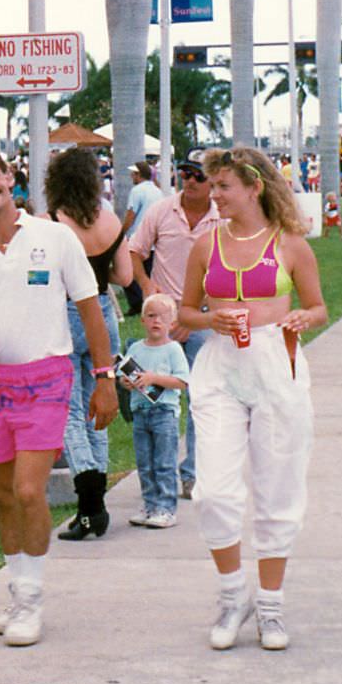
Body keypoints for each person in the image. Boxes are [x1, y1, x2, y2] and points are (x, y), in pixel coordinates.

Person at [0, 140, 118, 646]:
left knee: (32, 490)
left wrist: (104, 378)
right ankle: (18, 592)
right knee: (7, 497)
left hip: (48, 379)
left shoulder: (54, 238)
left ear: (8, 176)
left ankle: (31, 603)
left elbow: (90, 309)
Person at [178, 146, 327, 651]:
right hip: (220, 364)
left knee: (278, 487)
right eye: (211, 185)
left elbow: (318, 306)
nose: (212, 195)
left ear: (254, 187)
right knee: (215, 490)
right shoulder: (206, 246)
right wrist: (208, 319)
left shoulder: (290, 245)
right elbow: (185, 312)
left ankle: (270, 607)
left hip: (274, 363)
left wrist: (304, 319)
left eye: (223, 186)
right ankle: (231, 595)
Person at [42, 147, 132, 542]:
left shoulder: (52, 223)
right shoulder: (110, 220)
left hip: (63, 315)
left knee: (69, 411)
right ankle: (96, 502)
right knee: (101, 406)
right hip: (103, 315)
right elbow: (125, 276)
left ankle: (90, 504)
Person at [130, 148, 221, 500]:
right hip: (162, 323)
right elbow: (135, 250)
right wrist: (146, 286)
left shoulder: (222, 219)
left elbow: (231, 273)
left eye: (199, 175)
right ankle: (157, 475)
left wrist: (194, 312)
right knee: (154, 398)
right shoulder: (160, 211)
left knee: (199, 398)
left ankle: (192, 473)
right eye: (185, 173)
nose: (190, 180)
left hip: (201, 321)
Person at [122, 293, 189, 529]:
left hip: (164, 413)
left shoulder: (173, 350)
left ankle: (166, 508)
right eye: (151, 316)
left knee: (164, 462)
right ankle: (149, 505)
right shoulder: (136, 349)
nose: (156, 322)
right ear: (142, 321)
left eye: (162, 317)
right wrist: (127, 383)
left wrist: (153, 378)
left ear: (172, 323)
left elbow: (182, 381)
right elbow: (125, 374)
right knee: (145, 462)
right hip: (141, 412)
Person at [121, 161, 164, 317]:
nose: (132, 176)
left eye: (133, 174)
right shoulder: (157, 191)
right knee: (149, 273)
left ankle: (137, 303)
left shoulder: (137, 191)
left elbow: (131, 214)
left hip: (137, 239)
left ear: (138, 175)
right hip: (154, 240)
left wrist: (121, 232)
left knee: (128, 272)